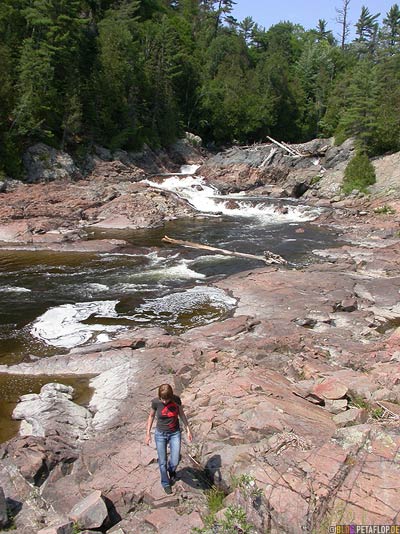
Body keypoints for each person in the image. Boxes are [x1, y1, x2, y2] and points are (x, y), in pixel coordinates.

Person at [145, 383, 193, 494]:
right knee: (162, 462)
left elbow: (181, 414)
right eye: (162, 399)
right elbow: (151, 416)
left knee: (175, 460)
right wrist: (148, 434)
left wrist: (188, 429)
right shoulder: (156, 402)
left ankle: (171, 470)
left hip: (174, 433)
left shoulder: (176, 400)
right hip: (160, 434)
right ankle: (165, 483)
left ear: (171, 396)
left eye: (167, 399)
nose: (165, 402)